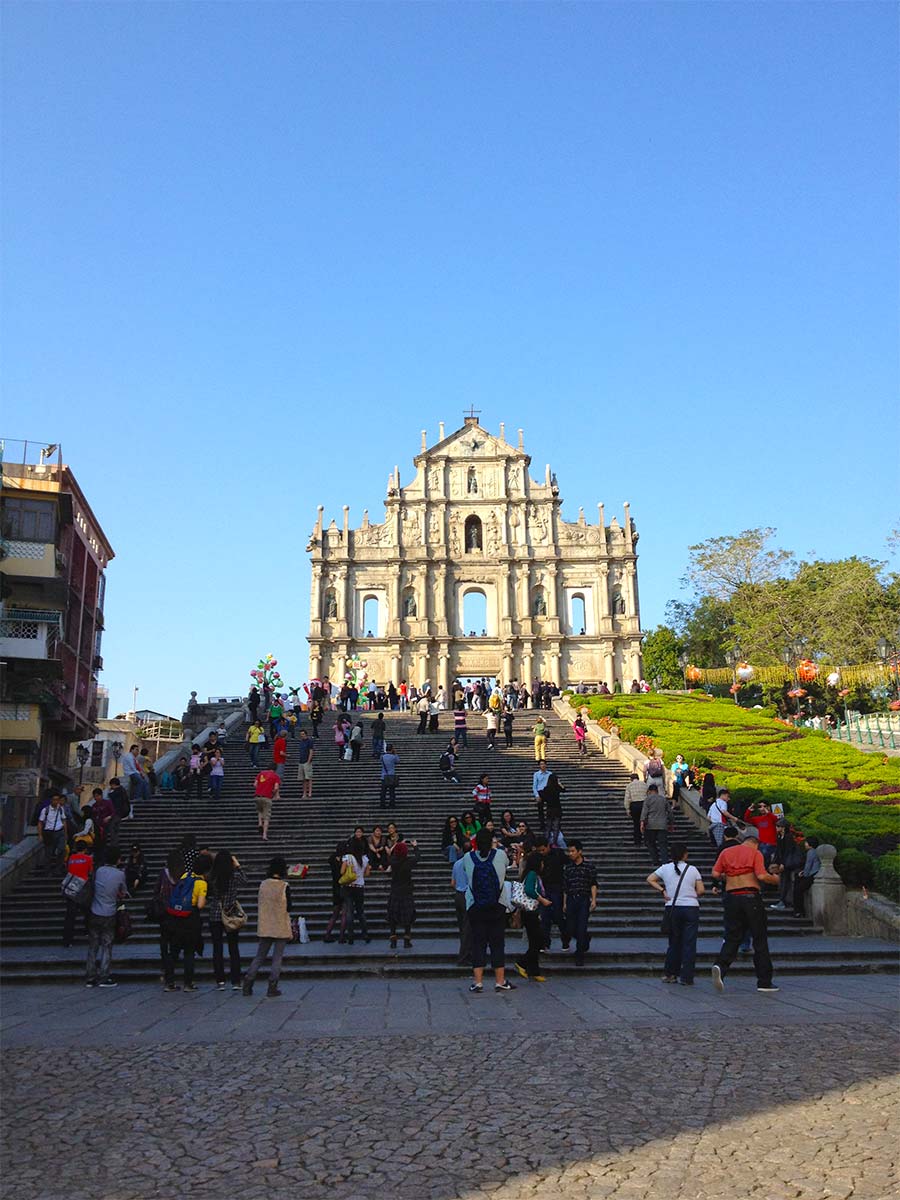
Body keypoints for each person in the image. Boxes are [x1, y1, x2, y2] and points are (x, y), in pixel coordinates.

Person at [711, 827, 782, 993]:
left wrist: (729, 876)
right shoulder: (755, 853)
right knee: (759, 939)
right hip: (750, 897)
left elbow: (715, 873)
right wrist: (776, 880)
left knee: (732, 936)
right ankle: (764, 981)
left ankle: (720, 966)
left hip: (731, 898)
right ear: (755, 844)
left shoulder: (726, 852)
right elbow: (762, 876)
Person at [462, 827, 514, 993]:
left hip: (475, 906)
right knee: (497, 942)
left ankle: (478, 982)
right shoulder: (500, 855)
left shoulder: (467, 857)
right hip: (497, 905)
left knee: (478, 943)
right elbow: (507, 866)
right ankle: (500, 981)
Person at [646, 843, 705, 986]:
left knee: (674, 942)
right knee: (689, 943)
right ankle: (687, 977)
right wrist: (691, 895)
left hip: (672, 908)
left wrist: (663, 891)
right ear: (685, 854)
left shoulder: (665, 868)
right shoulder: (693, 869)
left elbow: (650, 879)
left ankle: (670, 974)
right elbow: (701, 890)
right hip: (691, 908)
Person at [243, 856, 292, 997]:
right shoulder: (284, 886)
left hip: (266, 924)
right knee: (277, 958)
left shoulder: (263, 884)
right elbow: (290, 907)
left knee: (260, 956)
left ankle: (248, 982)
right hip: (280, 925)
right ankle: (272, 987)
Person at [163, 850, 212, 992]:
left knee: (173, 951)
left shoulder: (185, 875)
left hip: (175, 917)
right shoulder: (201, 883)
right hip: (190, 918)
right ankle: (188, 983)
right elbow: (200, 905)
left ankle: (169, 982)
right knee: (189, 952)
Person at [85, 845, 128, 988]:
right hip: (109, 913)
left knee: (93, 945)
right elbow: (123, 893)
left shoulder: (99, 871)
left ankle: (90, 977)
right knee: (107, 945)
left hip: (94, 911)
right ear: (118, 859)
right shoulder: (120, 874)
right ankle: (104, 976)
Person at [208, 850, 247, 991]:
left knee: (217, 948)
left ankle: (220, 981)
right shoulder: (234, 877)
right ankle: (236, 981)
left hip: (215, 915)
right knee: (233, 948)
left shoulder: (212, 877)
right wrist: (238, 866)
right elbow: (245, 880)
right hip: (231, 915)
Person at [563, 840, 597, 967]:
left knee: (582, 926)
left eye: (572, 851)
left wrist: (593, 900)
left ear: (579, 852)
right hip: (571, 898)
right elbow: (565, 887)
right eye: (569, 851)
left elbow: (593, 884)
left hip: (583, 899)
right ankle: (585, 939)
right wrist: (564, 903)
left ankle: (579, 955)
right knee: (570, 927)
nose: (570, 853)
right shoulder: (568, 867)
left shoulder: (589, 867)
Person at [536, 837, 569, 950]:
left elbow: (568, 861)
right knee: (545, 917)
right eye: (539, 850)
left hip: (557, 887)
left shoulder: (558, 853)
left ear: (548, 846)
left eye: (543, 850)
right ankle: (545, 942)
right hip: (544, 888)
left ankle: (565, 940)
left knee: (558, 916)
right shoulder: (538, 857)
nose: (541, 852)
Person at [62, 836, 94, 947]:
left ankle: (67, 940)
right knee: (88, 911)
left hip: (71, 888)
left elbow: (68, 870)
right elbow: (90, 872)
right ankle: (87, 931)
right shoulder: (88, 859)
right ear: (85, 849)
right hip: (83, 888)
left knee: (70, 916)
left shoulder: (71, 858)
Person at [386, 839, 418, 948]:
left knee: (393, 918)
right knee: (407, 917)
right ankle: (407, 940)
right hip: (406, 892)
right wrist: (415, 846)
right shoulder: (408, 862)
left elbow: (390, 855)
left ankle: (393, 940)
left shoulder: (392, 861)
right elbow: (418, 857)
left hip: (395, 891)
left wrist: (396, 845)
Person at [341, 836, 371, 944]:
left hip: (348, 887)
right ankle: (365, 934)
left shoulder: (347, 857)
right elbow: (367, 874)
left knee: (349, 912)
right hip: (359, 887)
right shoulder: (365, 859)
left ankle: (350, 936)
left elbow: (342, 871)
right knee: (360, 912)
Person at [37, 791, 71, 875]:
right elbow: (40, 822)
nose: (56, 801)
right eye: (54, 800)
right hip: (49, 833)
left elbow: (64, 820)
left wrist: (66, 833)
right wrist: (40, 835)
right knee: (49, 852)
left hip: (60, 832)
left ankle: (58, 869)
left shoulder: (60, 809)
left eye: (57, 800)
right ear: (51, 800)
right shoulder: (46, 810)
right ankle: (47, 870)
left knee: (62, 850)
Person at [323, 840, 350, 942]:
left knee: (335, 914)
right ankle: (341, 936)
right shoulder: (345, 860)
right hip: (344, 887)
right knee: (344, 913)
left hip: (335, 887)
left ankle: (327, 934)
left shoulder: (332, 859)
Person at [451, 850, 473, 966]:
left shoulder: (457, 863)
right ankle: (464, 956)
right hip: (468, 895)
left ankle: (466, 953)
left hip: (458, 895)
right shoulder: (470, 864)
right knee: (467, 928)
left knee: (462, 927)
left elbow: (452, 883)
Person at [640, 784, 670, 867]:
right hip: (662, 825)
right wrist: (671, 822)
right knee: (663, 844)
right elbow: (669, 812)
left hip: (650, 825)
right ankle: (665, 861)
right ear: (657, 791)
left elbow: (644, 812)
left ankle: (655, 860)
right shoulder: (663, 799)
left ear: (649, 791)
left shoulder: (647, 800)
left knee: (651, 843)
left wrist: (642, 823)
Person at [792, 836, 821, 917]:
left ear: (810, 844)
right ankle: (798, 910)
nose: (805, 844)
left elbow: (808, 866)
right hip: (814, 873)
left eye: (806, 842)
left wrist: (804, 874)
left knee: (797, 890)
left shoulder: (811, 852)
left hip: (813, 875)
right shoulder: (815, 851)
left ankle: (798, 911)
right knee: (798, 883)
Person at [254, 768, 280, 840]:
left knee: (260, 810)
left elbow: (255, 784)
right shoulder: (275, 776)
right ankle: (264, 834)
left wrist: (260, 788)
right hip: (267, 797)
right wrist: (273, 793)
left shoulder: (261, 773)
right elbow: (276, 788)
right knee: (266, 817)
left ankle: (260, 823)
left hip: (257, 796)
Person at [540, 770, 565, 845]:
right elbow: (564, 789)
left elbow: (542, 796)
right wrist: (560, 783)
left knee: (548, 826)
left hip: (549, 808)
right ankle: (554, 843)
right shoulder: (557, 788)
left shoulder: (546, 788)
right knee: (556, 827)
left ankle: (546, 842)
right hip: (557, 808)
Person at [624, 773, 648, 847]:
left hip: (634, 805)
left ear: (631, 779)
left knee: (636, 824)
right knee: (645, 823)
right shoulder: (644, 784)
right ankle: (647, 840)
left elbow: (627, 798)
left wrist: (627, 809)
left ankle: (637, 841)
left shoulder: (629, 786)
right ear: (638, 778)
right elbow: (648, 795)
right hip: (643, 804)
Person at [295, 729, 315, 799]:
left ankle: (309, 792)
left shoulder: (309, 741)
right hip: (301, 761)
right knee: (303, 779)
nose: (302, 736)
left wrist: (309, 761)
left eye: (303, 734)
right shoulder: (301, 742)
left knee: (309, 777)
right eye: (301, 734)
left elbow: (311, 751)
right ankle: (304, 793)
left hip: (307, 761)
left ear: (306, 734)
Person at [379, 742, 400, 809]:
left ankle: (382, 804)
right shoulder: (393, 757)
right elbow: (398, 761)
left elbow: (380, 761)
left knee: (383, 791)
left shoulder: (382, 757)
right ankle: (392, 804)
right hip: (391, 776)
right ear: (391, 749)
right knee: (392, 791)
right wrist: (395, 753)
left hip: (383, 776)